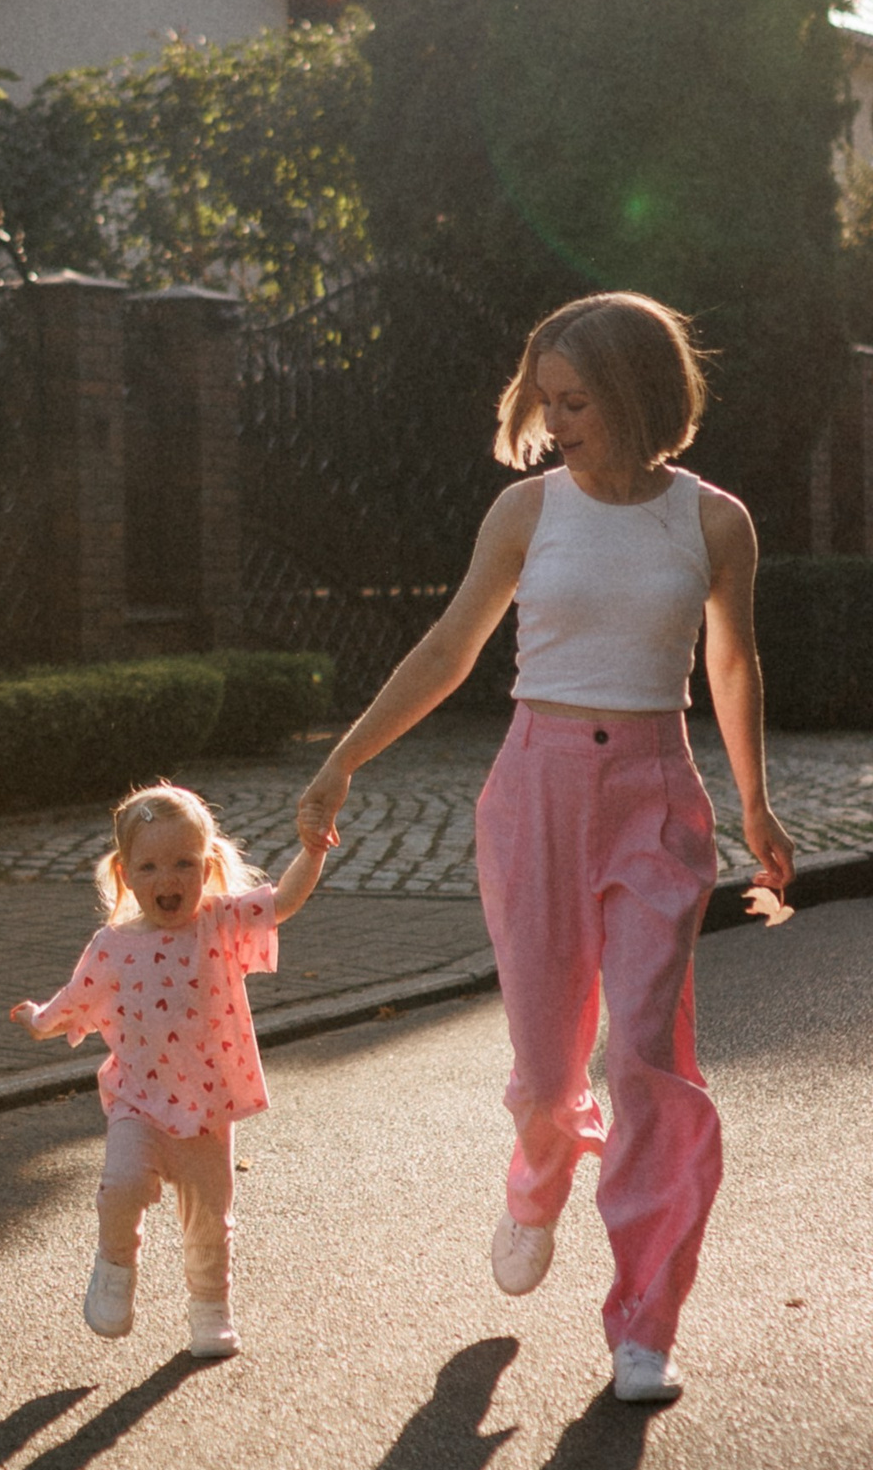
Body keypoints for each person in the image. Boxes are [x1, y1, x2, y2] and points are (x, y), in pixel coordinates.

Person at [295, 292, 796, 1406]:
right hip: (536, 786)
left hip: (655, 793)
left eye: (576, 400)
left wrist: (756, 800)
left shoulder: (713, 522)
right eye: (545, 400)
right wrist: (343, 759)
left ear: (636, 396)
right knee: (547, 1058)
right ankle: (538, 1164)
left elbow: (732, 664)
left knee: (649, 1059)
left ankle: (644, 1321)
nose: (556, 419)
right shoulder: (527, 513)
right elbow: (448, 647)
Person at [12, 782, 328, 1361]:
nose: (169, 880)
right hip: (137, 1099)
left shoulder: (220, 923)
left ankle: (210, 1310)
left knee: (210, 1219)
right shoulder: (111, 945)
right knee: (123, 1184)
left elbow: (283, 900)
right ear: (127, 874)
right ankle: (115, 1267)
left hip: (208, 1104)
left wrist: (313, 850)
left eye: (184, 864)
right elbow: (74, 999)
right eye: (151, 866)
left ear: (206, 869)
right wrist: (39, 1020)